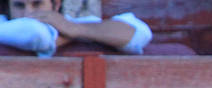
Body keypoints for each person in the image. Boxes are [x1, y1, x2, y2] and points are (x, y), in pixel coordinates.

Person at [0, 0, 151, 56]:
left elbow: (139, 34)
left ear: (56, 5)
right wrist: (67, 33)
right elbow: (36, 33)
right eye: (19, 6)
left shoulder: (69, 24)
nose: (28, 13)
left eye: (37, 4)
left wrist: (74, 29)